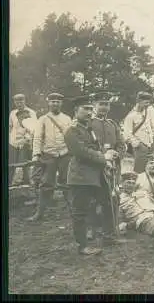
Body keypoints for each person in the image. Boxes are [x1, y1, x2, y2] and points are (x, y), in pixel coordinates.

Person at [64, 95, 124, 256]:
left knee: (108, 202)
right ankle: (82, 246)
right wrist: (104, 157)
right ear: (76, 111)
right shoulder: (72, 130)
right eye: (86, 109)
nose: (89, 112)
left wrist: (109, 156)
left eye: (91, 109)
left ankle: (108, 237)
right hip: (81, 177)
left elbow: (97, 149)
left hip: (98, 175)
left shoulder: (89, 129)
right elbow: (81, 152)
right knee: (80, 212)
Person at [28, 93, 72, 221]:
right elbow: (37, 138)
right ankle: (39, 213)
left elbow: (71, 137)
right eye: (53, 101)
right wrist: (36, 155)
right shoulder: (43, 119)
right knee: (46, 184)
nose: (55, 104)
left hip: (65, 154)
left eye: (58, 102)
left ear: (61, 103)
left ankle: (73, 212)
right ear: (48, 103)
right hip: (49, 155)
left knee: (67, 183)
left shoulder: (67, 119)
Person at [9, 93, 38, 186]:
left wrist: (26, 140)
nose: (19, 103)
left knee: (24, 163)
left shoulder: (31, 112)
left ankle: (27, 183)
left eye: (21, 101)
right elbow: (10, 126)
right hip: (13, 141)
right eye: (16, 101)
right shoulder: (13, 113)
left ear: (24, 101)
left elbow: (33, 128)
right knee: (11, 163)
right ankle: (9, 183)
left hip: (25, 141)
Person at [123, 91, 154, 173]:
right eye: (145, 102)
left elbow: (150, 128)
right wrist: (137, 144)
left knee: (148, 169)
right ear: (139, 101)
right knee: (139, 170)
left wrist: (152, 142)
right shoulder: (131, 116)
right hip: (139, 147)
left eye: (148, 102)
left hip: (149, 145)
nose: (147, 105)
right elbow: (127, 134)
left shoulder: (148, 113)